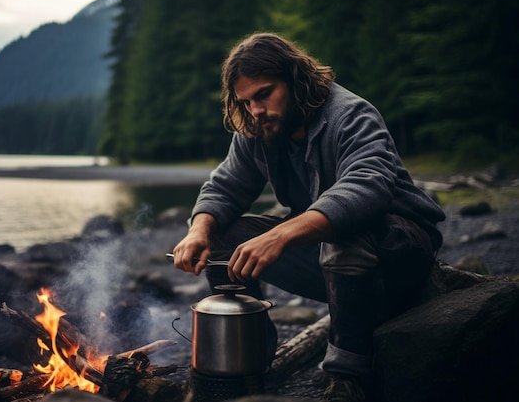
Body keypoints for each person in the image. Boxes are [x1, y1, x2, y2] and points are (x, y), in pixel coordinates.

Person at [172, 32, 445, 402]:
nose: (255, 109)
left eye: (264, 94)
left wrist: (280, 235)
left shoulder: (350, 114)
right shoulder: (259, 128)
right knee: (221, 233)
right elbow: (224, 187)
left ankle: (348, 379)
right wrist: (198, 231)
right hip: (331, 262)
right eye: (246, 101)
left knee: (344, 233)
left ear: (296, 81)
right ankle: (248, 363)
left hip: (397, 253)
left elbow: (368, 187)